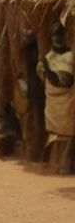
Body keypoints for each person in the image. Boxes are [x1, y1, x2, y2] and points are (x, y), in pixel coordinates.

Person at [36, 24, 73, 171]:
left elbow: (65, 81)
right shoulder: (48, 57)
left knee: (68, 134)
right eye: (55, 35)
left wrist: (47, 67)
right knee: (55, 134)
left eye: (60, 35)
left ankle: (66, 165)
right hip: (52, 103)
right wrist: (44, 65)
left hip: (68, 101)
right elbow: (42, 79)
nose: (58, 38)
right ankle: (55, 163)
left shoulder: (70, 56)